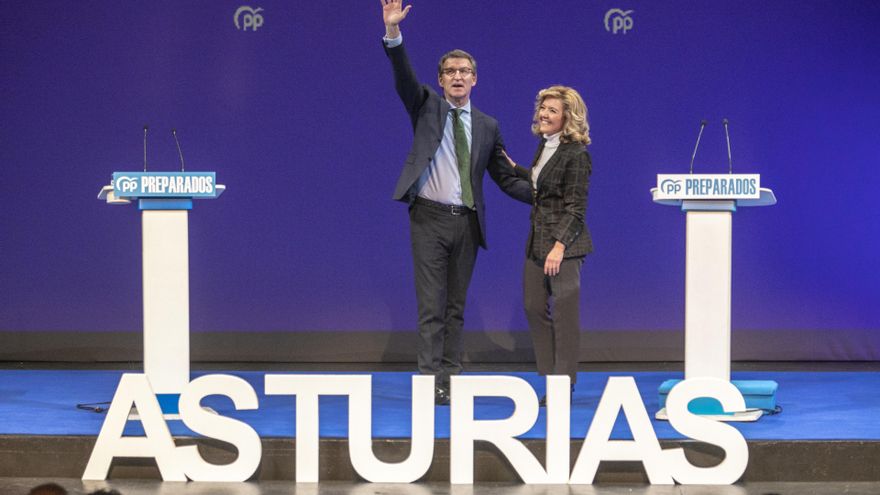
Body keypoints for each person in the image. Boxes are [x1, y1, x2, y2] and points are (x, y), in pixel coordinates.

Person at [380, 0, 531, 405]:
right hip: (428, 218)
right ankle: (430, 382)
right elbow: (403, 78)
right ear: (441, 80)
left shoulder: (488, 126)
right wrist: (393, 33)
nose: (458, 77)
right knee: (431, 306)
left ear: (475, 80)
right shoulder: (425, 105)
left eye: (465, 72)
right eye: (451, 72)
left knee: (455, 307)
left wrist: (545, 196)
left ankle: (450, 377)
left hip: (467, 222)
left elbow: (503, 178)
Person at [504, 85, 593, 404]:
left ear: (568, 117)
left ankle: (562, 384)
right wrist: (513, 168)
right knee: (532, 306)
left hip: (564, 246)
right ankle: (551, 374)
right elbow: (541, 186)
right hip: (536, 242)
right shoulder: (545, 146)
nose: (543, 114)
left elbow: (575, 209)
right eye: (543, 108)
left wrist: (559, 247)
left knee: (565, 315)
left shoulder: (577, 155)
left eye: (552, 110)